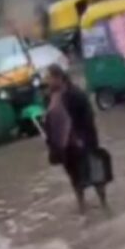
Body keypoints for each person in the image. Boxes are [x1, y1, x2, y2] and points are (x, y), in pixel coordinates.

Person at [44, 64, 110, 216]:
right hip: (66, 147)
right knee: (75, 177)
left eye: (50, 78)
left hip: (84, 142)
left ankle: (104, 204)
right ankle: (82, 206)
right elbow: (51, 122)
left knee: (96, 175)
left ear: (59, 78)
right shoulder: (49, 97)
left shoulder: (76, 94)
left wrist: (84, 140)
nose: (47, 82)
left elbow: (88, 119)